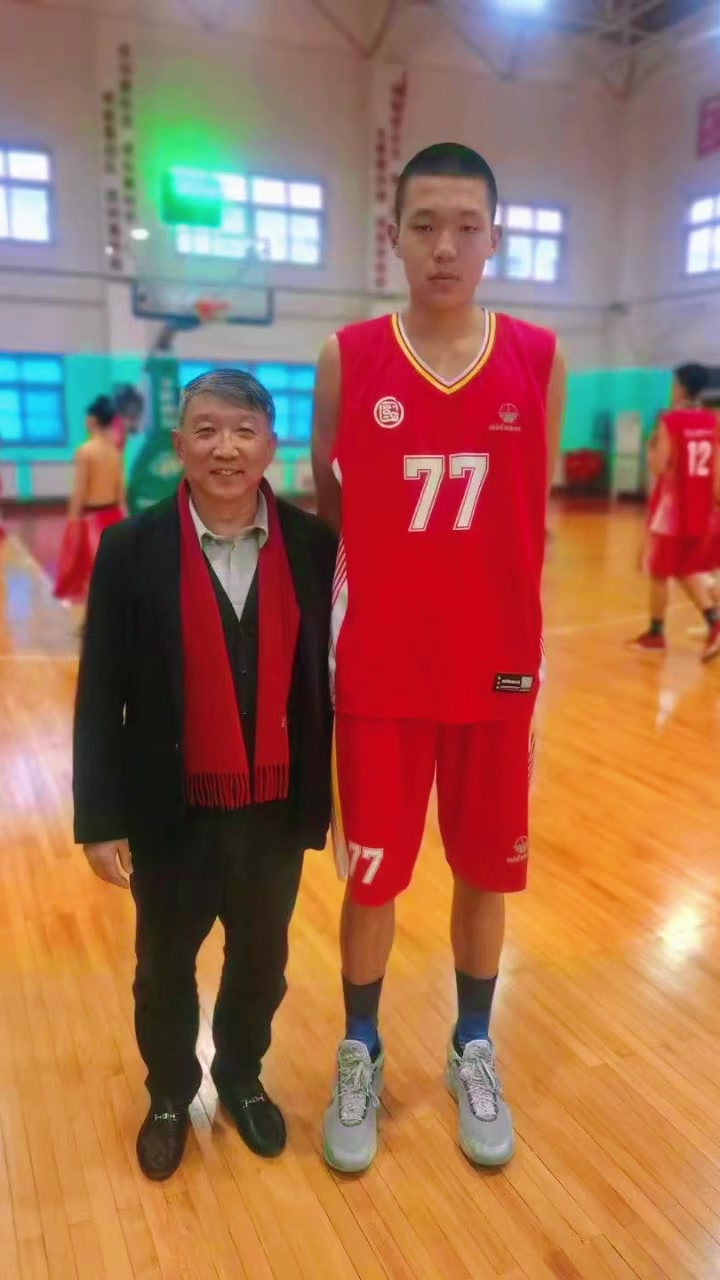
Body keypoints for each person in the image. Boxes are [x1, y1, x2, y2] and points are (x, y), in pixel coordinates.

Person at [311, 142, 566, 1173]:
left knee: (484, 873)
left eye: (466, 226)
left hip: (497, 671)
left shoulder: (539, 358)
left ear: (495, 237)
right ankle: (360, 1049)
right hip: (380, 675)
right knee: (372, 879)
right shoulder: (348, 355)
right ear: (395, 236)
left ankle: (472, 1045)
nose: (446, 246)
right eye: (425, 225)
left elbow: (532, 512)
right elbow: (332, 507)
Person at [73, 369, 336, 1181]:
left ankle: (241, 1077)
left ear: (271, 446)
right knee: (163, 968)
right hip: (169, 808)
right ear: (179, 444)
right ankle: (168, 1094)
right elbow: (101, 689)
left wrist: (344, 800)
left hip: (274, 809)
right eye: (209, 429)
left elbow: (333, 686)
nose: (227, 448)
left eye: (245, 431)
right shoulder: (131, 549)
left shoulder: (314, 546)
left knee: (262, 964)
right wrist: (99, 818)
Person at [630, 363, 720, 660]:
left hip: (674, 509)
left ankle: (658, 634)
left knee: (660, 570)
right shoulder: (710, 420)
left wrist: (652, 446)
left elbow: (659, 467)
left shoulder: (670, 420)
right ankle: (711, 622)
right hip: (702, 506)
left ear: (680, 387)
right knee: (684, 568)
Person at [54, 395, 126, 604]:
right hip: (114, 516)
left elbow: (80, 490)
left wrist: (72, 520)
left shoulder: (85, 451)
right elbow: (121, 489)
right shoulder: (115, 451)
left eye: (87, 417)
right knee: (113, 574)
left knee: (90, 578)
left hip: (92, 520)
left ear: (93, 420)